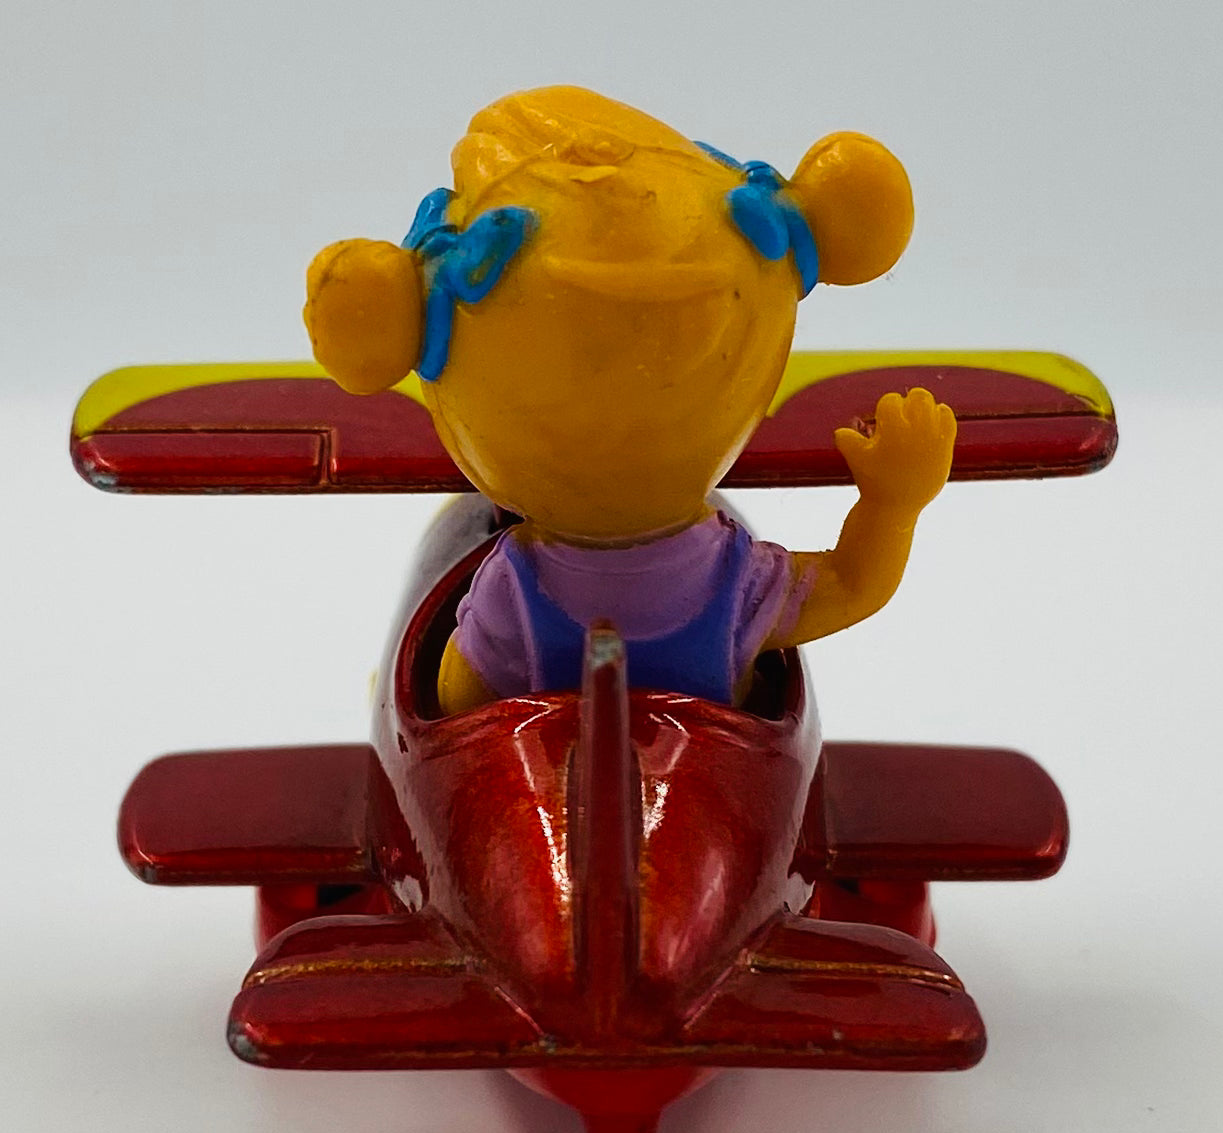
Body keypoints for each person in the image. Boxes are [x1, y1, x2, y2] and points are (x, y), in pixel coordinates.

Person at [303, 86, 956, 714]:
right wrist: (893, 504)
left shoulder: (514, 592)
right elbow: (853, 584)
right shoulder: (735, 582)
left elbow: (453, 698)